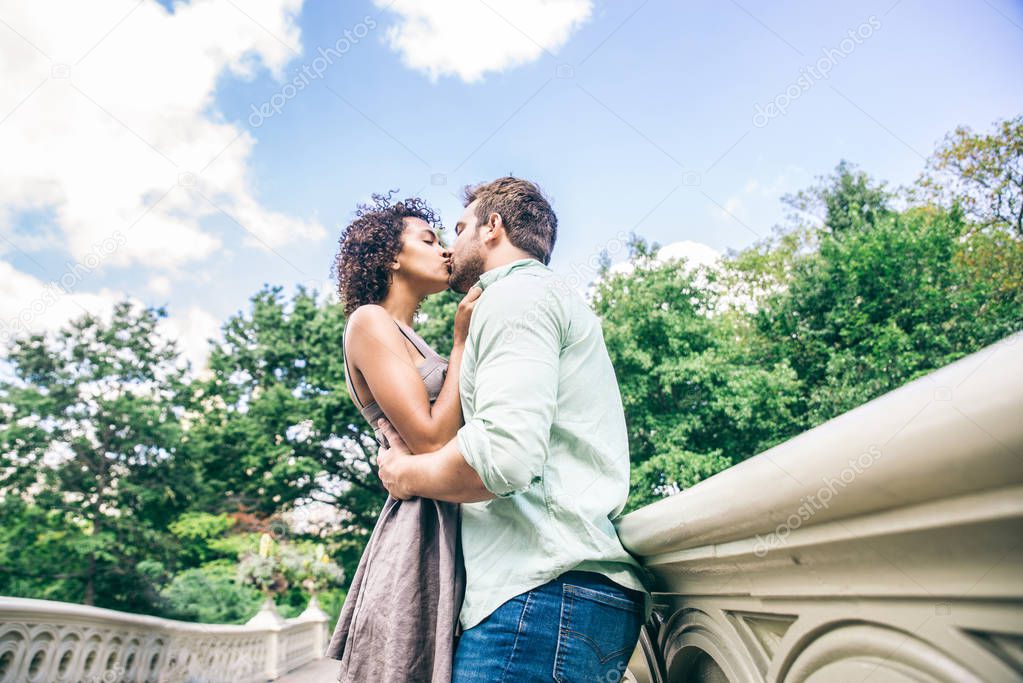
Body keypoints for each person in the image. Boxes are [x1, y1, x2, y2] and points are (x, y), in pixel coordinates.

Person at [375, 177, 652, 682]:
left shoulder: (513, 297)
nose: (450, 245)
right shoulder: (544, 298)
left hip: (538, 599)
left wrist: (404, 475)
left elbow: (503, 457)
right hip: (568, 600)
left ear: (493, 227)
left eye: (458, 230)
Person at [324, 193, 480, 682]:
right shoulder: (369, 321)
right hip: (418, 530)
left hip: (442, 513)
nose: (446, 251)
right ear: (392, 256)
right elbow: (431, 441)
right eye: (430, 240)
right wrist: (461, 342)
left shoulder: (407, 335)